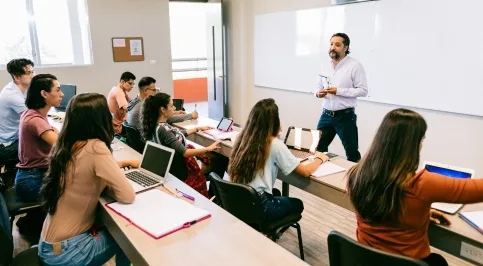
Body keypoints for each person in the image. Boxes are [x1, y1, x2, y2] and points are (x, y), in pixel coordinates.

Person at [346, 108, 483, 266]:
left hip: (366, 260)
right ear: (412, 145)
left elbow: (383, 206)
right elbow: (477, 190)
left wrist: (418, 212)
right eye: (421, 140)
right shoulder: (422, 184)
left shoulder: (356, 174)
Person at [39, 93, 137, 266]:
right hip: (68, 252)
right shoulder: (95, 147)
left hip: (49, 246)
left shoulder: (66, 143)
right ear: (100, 119)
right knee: (128, 235)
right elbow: (127, 196)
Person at [228, 98, 329, 225]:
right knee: (297, 204)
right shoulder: (274, 144)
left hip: (239, 199)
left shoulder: (242, 138)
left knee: (276, 193)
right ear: (274, 122)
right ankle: (268, 233)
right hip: (259, 205)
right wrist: (320, 158)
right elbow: (305, 171)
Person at [141, 92, 220, 197]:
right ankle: (213, 195)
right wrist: (208, 148)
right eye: (171, 105)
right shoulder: (164, 130)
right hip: (184, 171)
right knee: (217, 159)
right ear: (163, 110)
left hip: (173, 168)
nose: (174, 108)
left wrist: (197, 129)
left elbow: (174, 136)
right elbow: (186, 153)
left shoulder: (156, 126)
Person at [315, 33, 368, 163]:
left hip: (345, 117)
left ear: (345, 48)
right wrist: (318, 93)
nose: (333, 47)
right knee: (317, 149)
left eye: (337, 45)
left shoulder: (355, 65)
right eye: (331, 44)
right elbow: (317, 87)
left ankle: (355, 182)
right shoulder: (325, 65)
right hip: (326, 115)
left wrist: (338, 91)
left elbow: (363, 91)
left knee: (352, 153)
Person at [16, 74, 63, 202]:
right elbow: (63, 145)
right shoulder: (35, 120)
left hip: (30, 176)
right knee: (81, 189)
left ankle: (33, 220)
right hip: (32, 181)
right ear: (44, 94)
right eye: (58, 90)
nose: (62, 94)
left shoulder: (32, 113)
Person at [127, 76, 198, 131]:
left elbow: (159, 115)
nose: (156, 92)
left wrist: (174, 112)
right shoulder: (145, 106)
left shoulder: (135, 101)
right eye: (154, 90)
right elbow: (167, 119)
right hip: (145, 141)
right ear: (145, 90)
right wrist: (190, 115)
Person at [0, 58, 34, 165]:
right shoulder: (12, 95)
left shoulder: (16, 89)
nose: (32, 75)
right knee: (44, 144)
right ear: (17, 77)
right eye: (28, 73)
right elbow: (33, 120)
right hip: (7, 147)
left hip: (13, 138)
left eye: (33, 71)